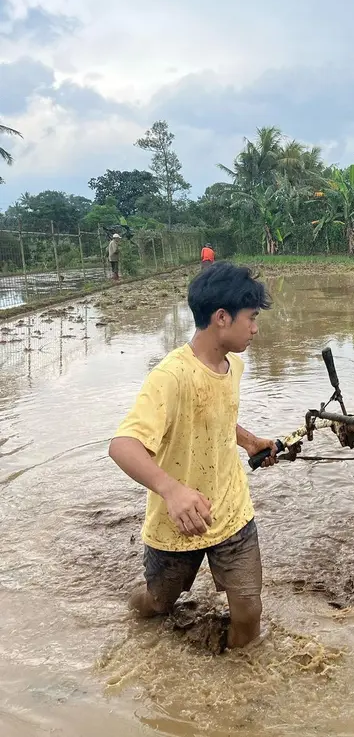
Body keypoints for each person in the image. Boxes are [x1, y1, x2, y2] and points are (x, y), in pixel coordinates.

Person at [108, 262, 278, 650]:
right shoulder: (171, 376)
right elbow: (122, 445)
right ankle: (125, 613)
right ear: (222, 318)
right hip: (178, 522)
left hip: (232, 511)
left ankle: (237, 677)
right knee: (157, 603)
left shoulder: (233, 365)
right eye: (251, 318)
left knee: (249, 611)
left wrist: (250, 442)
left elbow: (216, 416)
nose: (255, 328)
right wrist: (172, 491)